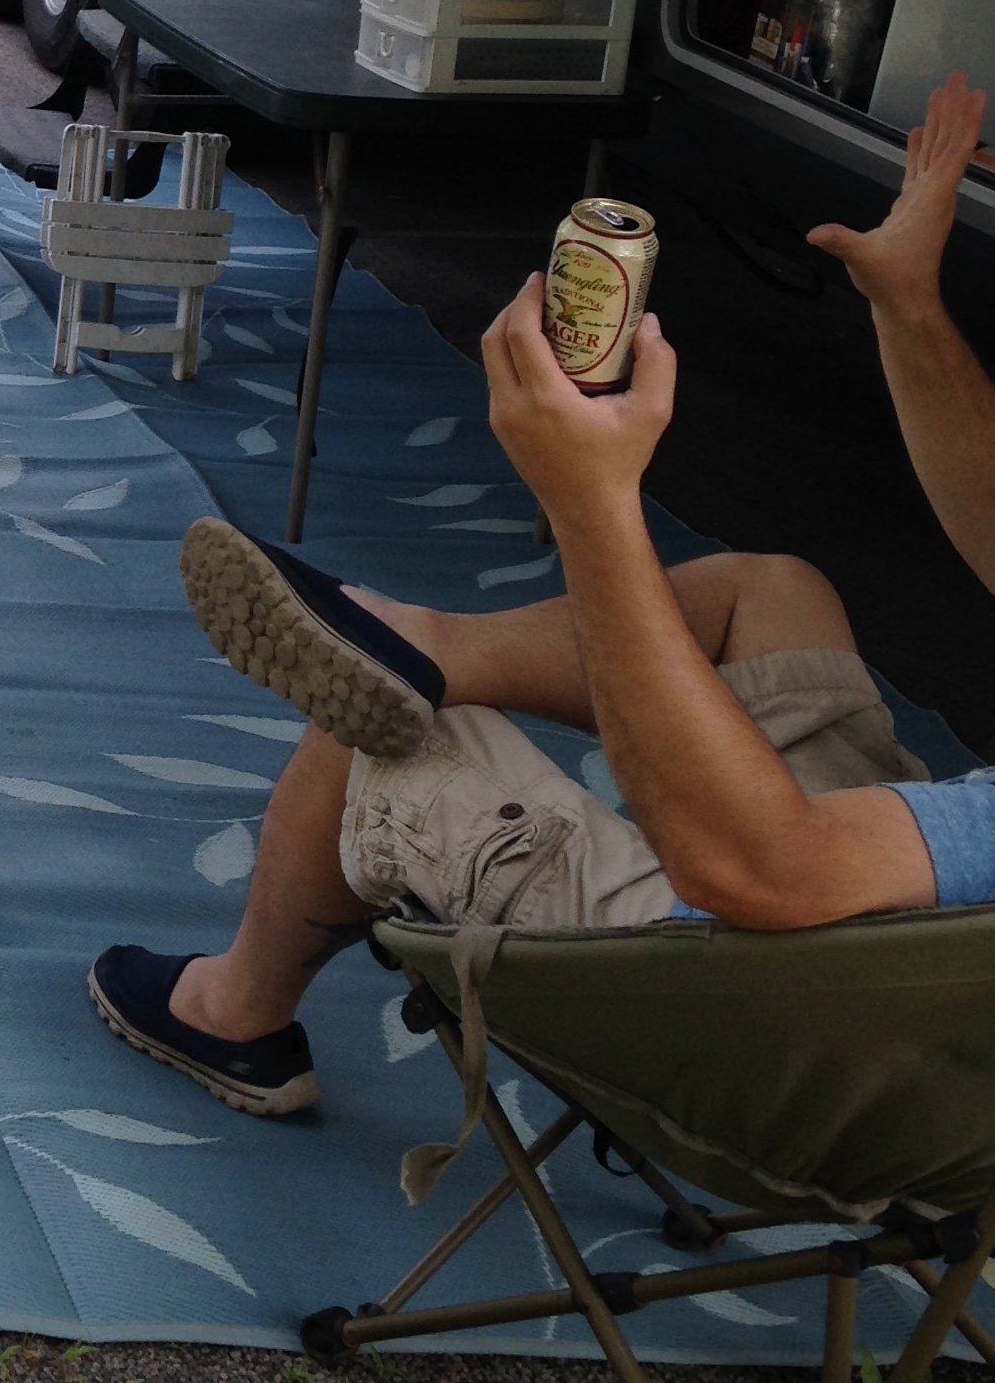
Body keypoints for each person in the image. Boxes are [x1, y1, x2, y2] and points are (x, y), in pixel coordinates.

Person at [90, 71, 995, 1116]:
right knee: (771, 596)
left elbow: (764, 873)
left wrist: (592, 505)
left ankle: (235, 1011)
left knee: (395, 725)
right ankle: (430, 642)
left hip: (800, 1041)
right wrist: (907, 300)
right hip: (913, 984)